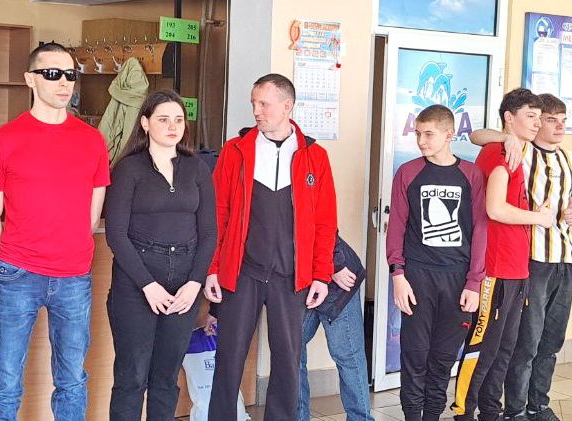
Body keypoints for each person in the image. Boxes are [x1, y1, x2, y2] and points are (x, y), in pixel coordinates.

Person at [0, 42, 109, 421]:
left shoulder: (92, 140)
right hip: (17, 275)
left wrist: (70, 252)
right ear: (30, 79)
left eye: (69, 74)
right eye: (52, 74)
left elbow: (92, 216)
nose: (64, 82)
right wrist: (13, 261)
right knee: (5, 382)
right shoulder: (4, 139)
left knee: (72, 380)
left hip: (74, 276)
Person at [205, 73, 337, 420]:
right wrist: (213, 268)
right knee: (228, 359)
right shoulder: (235, 151)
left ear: (287, 106)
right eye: (254, 103)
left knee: (288, 362)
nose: (256, 111)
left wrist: (321, 275)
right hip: (242, 273)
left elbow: (325, 222)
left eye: (263, 103)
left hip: (291, 277)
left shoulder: (315, 156)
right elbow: (217, 214)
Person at [468, 93, 572, 421]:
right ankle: (515, 408)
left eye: (563, 121)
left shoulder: (568, 157)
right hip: (531, 259)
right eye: (549, 120)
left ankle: (538, 405)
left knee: (552, 340)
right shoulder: (520, 149)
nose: (558, 127)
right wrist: (505, 136)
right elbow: (476, 135)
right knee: (525, 343)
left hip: (564, 258)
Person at [104, 89, 216, 420]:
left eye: (178, 120)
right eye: (163, 119)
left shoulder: (197, 169)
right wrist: (147, 285)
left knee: (166, 379)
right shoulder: (128, 169)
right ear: (145, 123)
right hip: (136, 280)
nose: (172, 126)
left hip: (185, 281)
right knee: (132, 377)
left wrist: (195, 283)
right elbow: (116, 235)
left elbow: (209, 234)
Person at [452, 88, 553, 421]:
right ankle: (463, 412)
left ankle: (490, 412)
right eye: (530, 116)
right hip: (495, 268)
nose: (537, 123)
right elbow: (495, 209)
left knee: (504, 350)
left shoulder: (515, 149)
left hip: (516, 269)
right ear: (509, 118)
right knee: (483, 348)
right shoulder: (499, 151)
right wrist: (539, 217)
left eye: (539, 117)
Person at [387, 104, 487, 421]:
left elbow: (481, 230)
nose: (421, 141)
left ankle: (431, 415)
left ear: (449, 134)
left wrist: (474, 282)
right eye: (418, 134)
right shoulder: (408, 173)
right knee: (414, 355)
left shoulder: (471, 174)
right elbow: (397, 226)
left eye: (428, 134)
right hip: (417, 276)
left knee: (443, 359)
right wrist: (397, 274)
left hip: (457, 279)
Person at [297, 233, 375, 421]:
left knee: (348, 355)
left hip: (337, 281)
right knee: (290, 348)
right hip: (305, 283)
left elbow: (324, 227)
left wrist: (335, 263)